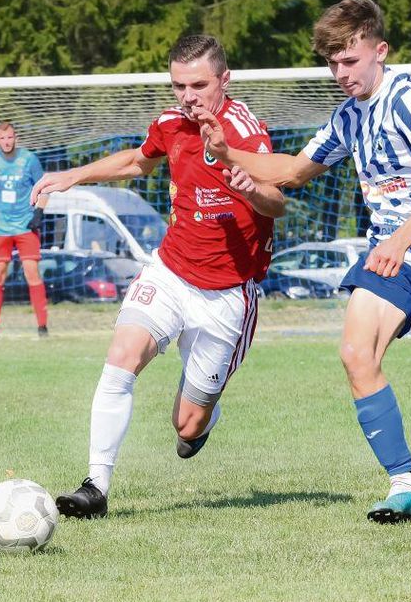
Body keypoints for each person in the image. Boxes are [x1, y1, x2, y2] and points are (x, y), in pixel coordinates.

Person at [195, 0, 411, 524]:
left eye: (350, 60)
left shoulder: (406, 102)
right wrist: (227, 150)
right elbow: (295, 170)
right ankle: (405, 486)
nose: (341, 72)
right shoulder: (349, 117)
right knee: (355, 353)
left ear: (380, 51)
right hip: (392, 264)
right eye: (333, 63)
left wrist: (401, 239)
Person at [30, 34, 286, 519]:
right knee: (121, 358)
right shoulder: (171, 124)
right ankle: (95, 486)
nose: (188, 96)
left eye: (198, 85)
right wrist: (72, 176)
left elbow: (279, 201)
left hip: (229, 296)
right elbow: (135, 161)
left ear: (224, 81)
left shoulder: (247, 133)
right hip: (170, 272)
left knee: (186, 426)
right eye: (178, 86)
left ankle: (202, 420)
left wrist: (253, 189)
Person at [0, 122, 49, 337]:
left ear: (15, 138)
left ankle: (42, 327)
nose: (6, 142)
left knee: (32, 272)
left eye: (10, 138)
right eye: (2, 138)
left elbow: (44, 188)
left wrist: (39, 213)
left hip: (25, 225)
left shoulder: (29, 159)